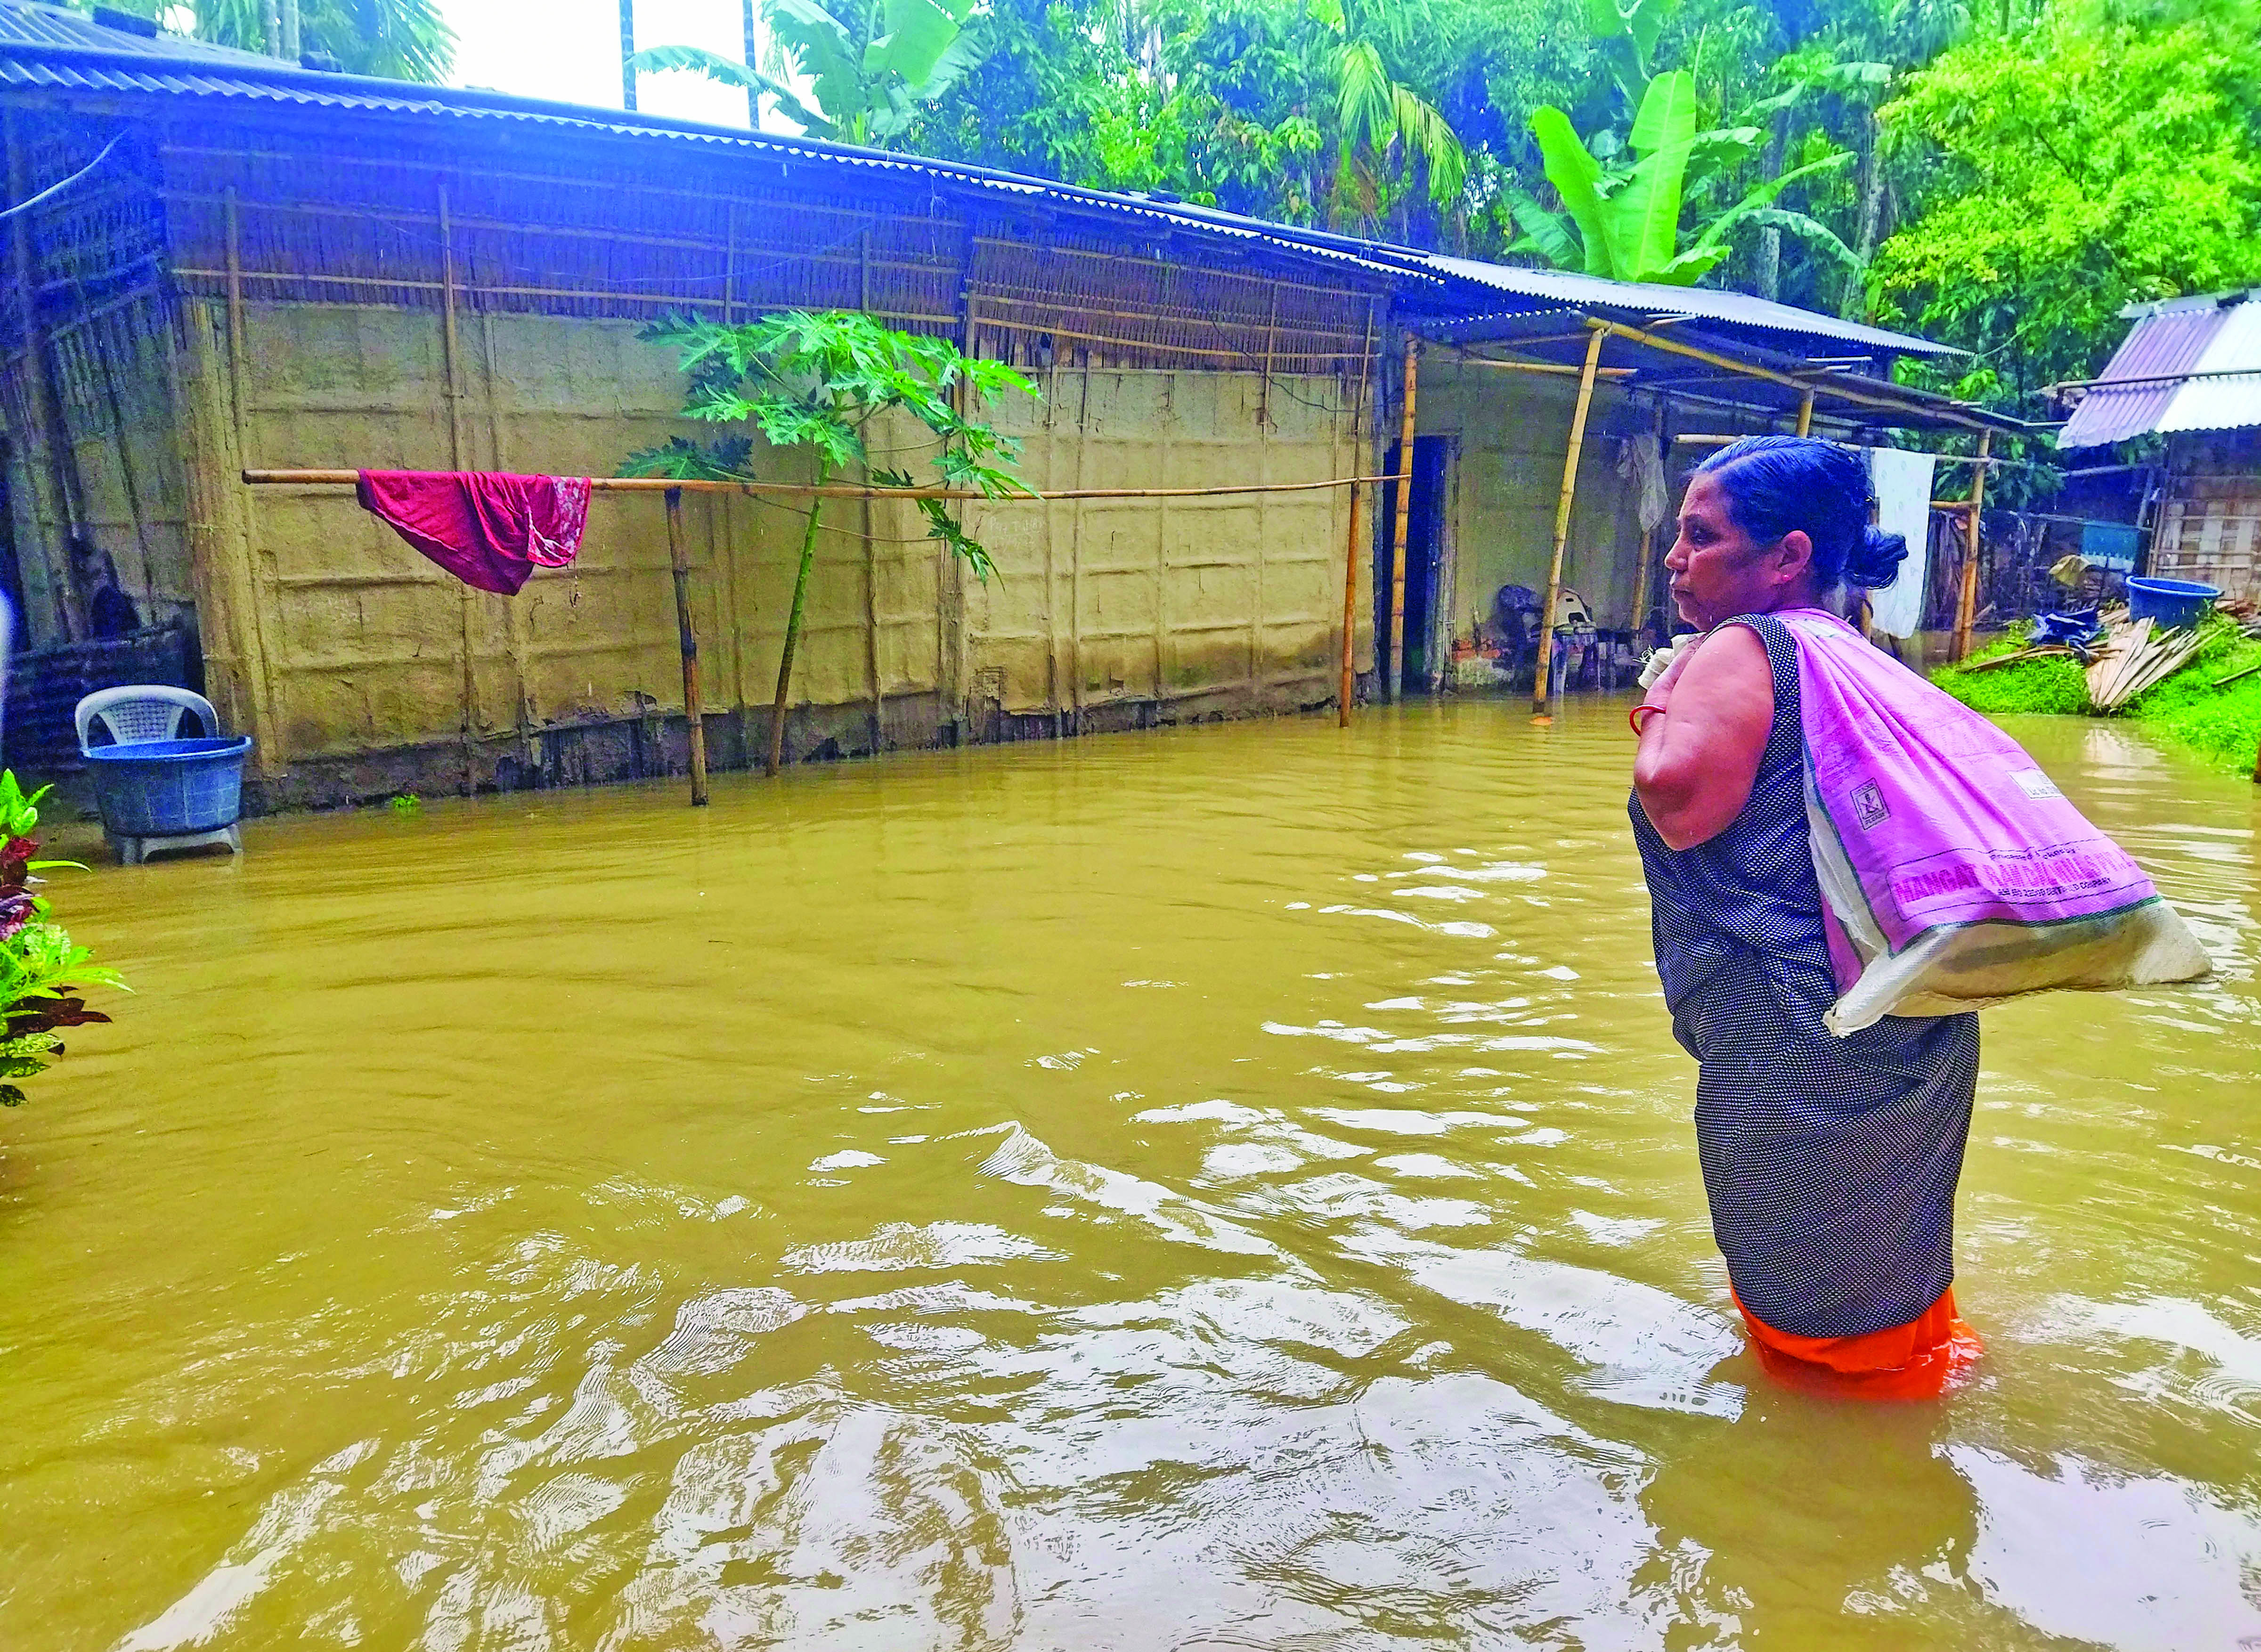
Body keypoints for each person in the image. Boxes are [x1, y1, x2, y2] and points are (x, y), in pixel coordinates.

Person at [1628, 435, 1981, 1396]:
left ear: (1786, 556)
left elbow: (1676, 798)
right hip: (1909, 1010)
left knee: (1808, 1306)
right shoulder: (1855, 652)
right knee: (1889, 1253)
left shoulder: (1747, 645)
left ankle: (1836, 1455)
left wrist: (1661, 695)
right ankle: (1917, 1407)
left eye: (1701, 537)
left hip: (1798, 1034)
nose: (1675, 558)